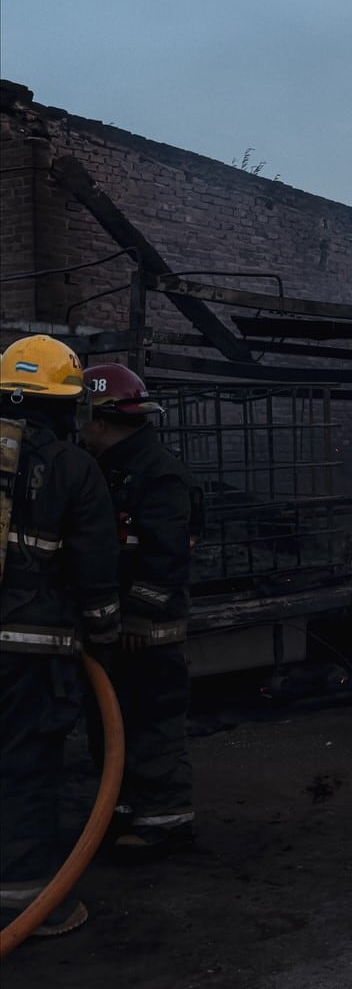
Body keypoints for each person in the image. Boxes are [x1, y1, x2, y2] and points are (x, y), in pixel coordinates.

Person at [0, 335, 120, 938]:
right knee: (23, 770)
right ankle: (24, 906)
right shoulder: (74, 468)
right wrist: (103, 630)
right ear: (63, 402)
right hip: (30, 653)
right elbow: (95, 567)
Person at [78, 361, 200, 860]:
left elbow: (166, 555)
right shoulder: (108, 469)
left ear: (102, 418)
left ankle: (166, 823)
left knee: (151, 721)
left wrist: (140, 615)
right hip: (114, 627)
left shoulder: (159, 474)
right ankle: (123, 808)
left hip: (149, 630)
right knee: (111, 723)